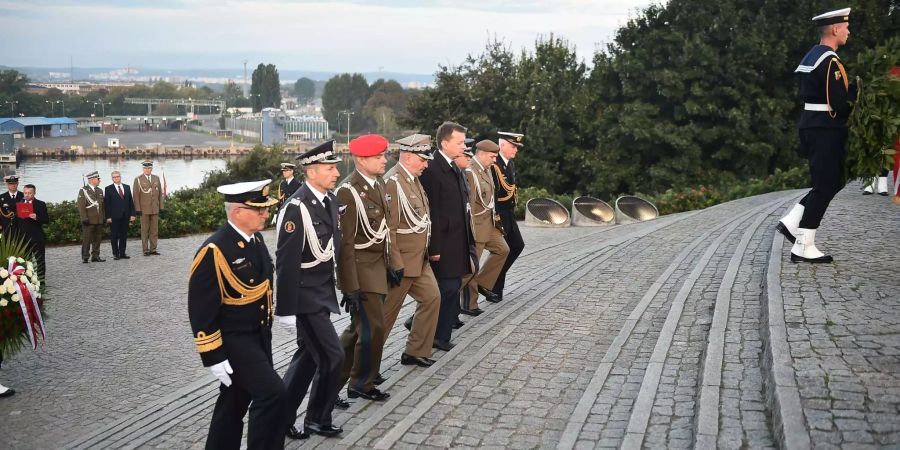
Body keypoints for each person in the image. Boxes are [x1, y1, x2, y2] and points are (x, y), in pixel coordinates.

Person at [188, 179, 284, 450]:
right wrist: (212, 355)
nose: (266, 214)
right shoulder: (214, 250)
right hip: (234, 341)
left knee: (235, 400)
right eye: (259, 210)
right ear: (238, 211)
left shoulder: (256, 240)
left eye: (265, 209)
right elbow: (201, 308)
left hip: (258, 336)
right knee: (272, 393)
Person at [274, 140, 346, 440]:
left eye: (335, 167)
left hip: (321, 293)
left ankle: (280, 419)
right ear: (312, 171)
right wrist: (286, 310)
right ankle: (317, 417)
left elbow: (332, 250)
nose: (336, 173)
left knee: (306, 359)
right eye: (330, 168)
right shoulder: (296, 208)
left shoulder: (328, 201)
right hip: (304, 299)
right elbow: (286, 263)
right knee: (334, 357)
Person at [776, 7, 858, 263]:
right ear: (835, 29)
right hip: (825, 127)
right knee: (826, 184)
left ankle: (792, 223)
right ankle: (803, 244)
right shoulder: (831, 61)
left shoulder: (814, 55)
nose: (848, 31)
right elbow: (839, 103)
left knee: (830, 182)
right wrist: (857, 98)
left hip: (813, 125)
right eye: (845, 27)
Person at [334, 134, 394, 402]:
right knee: (373, 329)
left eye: (384, 155)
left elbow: (384, 231)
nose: (384, 160)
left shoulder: (377, 184)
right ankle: (361, 383)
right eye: (378, 156)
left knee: (358, 330)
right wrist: (349, 286)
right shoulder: (348, 192)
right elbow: (344, 245)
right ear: (361, 160)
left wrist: (394, 264)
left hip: (378, 269)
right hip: (361, 272)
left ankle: (330, 380)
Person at [382, 133, 441, 368]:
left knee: (432, 298)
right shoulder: (392, 182)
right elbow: (390, 230)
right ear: (407, 157)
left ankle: (415, 350)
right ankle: (366, 370)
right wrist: (395, 264)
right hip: (402, 264)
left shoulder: (413, 179)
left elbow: (422, 219)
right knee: (385, 319)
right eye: (423, 159)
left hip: (419, 259)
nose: (427, 164)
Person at [419, 122, 475, 351]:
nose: (463, 146)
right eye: (459, 142)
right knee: (446, 289)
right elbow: (430, 211)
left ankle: (441, 335)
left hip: (457, 239)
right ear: (444, 142)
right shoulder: (433, 169)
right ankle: (435, 336)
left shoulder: (453, 166)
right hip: (443, 242)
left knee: (451, 289)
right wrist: (434, 248)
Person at [461, 139, 509, 314]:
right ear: (481, 154)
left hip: (489, 223)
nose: (495, 160)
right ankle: (469, 304)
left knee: (503, 250)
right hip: (477, 225)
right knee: (471, 266)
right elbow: (470, 205)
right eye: (492, 156)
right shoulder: (470, 171)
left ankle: (482, 283)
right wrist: (469, 230)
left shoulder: (486, 169)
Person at [491, 131, 526, 301]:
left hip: (509, 213)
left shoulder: (509, 164)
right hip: (500, 214)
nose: (516, 150)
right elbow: (493, 194)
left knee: (517, 246)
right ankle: (494, 287)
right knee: (503, 251)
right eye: (513, 146)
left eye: (517, 147)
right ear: (502, 145)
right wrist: (496, 217)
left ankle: (493, 283)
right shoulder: (494, 165)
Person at [17, 184, 50, 278]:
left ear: (34, 193)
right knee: (24, 261)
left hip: (37, 237)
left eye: (29, 193)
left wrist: (37, 217)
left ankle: (41, 281)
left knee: (40, 260)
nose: (27, 195)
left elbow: (46, 220)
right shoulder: (19, 203)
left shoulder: (40, 204)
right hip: (23, 238)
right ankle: (27, 281)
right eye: (25, 193)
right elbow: (16, 221)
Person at [132, 160, 164, 256]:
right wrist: (137, 209)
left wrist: (161, 206)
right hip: (144, 209)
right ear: (143, 169)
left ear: (151, 169)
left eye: (149, 168)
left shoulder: (156, 178)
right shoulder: (138, 179)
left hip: (154, 208)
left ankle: (153, 249)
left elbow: (160, 194)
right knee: (145, 230)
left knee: (154, 230)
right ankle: (145, 250)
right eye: (145, 168)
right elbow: (135, 196)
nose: (147, 170)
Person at [104, 171, 136, 260]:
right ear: (112, 178)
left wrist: (132, 214)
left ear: (120, 177)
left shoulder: (127, 187)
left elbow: (131, 202)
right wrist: (108, 217)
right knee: (114, 236)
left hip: (125, 216)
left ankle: (122, 253)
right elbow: (107, 204)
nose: (116, 178)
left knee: (123, 235)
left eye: (117, 176)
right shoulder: (108, 189)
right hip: (114, 217)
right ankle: (116, 254)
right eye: (114, 177)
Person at [77, 171, 106, 263]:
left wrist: (103, 217)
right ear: (92, 179)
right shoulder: (83, 190)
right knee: (87, 239)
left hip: (99, 219)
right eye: (98, 179)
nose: (99, 180)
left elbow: (102, 206)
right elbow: (81, 206)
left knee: (97, 239)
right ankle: (85, 256)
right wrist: (84, 218)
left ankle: (95, 256)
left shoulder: (100, 190)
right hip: (88, 219)